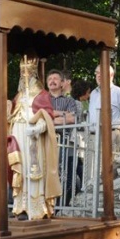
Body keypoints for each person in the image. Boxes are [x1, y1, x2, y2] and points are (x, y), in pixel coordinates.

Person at [7, 55, 61, 220]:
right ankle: (21, 207)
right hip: (18, 135)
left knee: (34, 170)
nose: (24, 77)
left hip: (33, 138)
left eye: (27, 73)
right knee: (21, 169)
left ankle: (36, 207)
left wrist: (38, 127)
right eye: (22, 74)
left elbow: (47, 117)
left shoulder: (42, 94)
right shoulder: (18, 96)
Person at [46, 69, 79, 207]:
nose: (52, 81)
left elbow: (73, 118)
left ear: (62, 83)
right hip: (44, 139)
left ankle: (58, 205)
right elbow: (37, 116)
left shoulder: (69, 100)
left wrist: (50, 117)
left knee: (61, 173)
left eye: (55, 78)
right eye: (49, 79)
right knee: (44, 172)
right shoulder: (42, 99)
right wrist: (61, 114)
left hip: (62, 141)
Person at [88, 65, 120, 157]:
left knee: (109, 167)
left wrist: (117, 131)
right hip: (92, 136)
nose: (99, 75)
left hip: (110, 134)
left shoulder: (118, 92)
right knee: (92, 169)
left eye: (102, 73)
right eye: (97, 73)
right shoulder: (93, 93)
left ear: (111, 75)